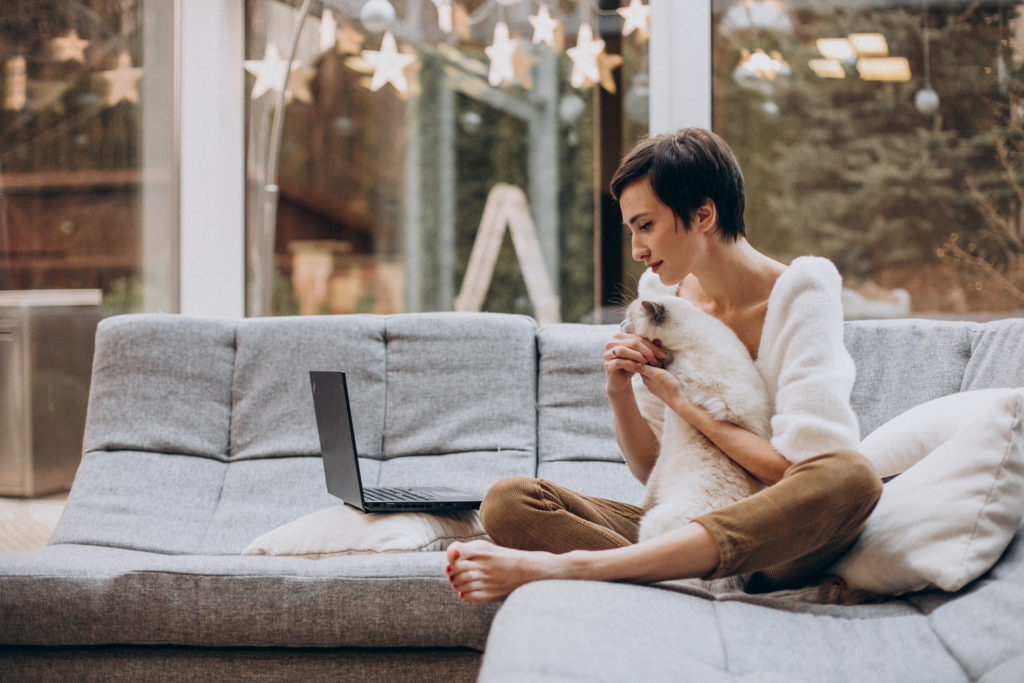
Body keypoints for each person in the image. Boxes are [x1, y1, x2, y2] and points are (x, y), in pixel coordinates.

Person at [445, 128, 883, 606]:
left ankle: (580, 568)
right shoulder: (661, 304)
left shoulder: (801, 295)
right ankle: (673, 580)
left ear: (703, 214)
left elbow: (797, 472)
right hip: (683, 521)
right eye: (632, 230)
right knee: (510, 502)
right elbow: (655, 468)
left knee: (852, 478)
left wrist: (685, 404)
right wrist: (619, 392)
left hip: (775, 544)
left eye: (646, 225)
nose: (636, 249)